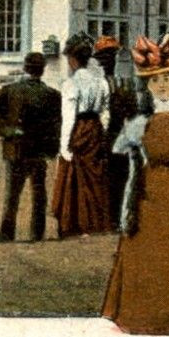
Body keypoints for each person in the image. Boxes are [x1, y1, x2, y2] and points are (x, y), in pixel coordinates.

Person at [101, 33, 169, 334]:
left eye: (168, 79)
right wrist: (132, 138)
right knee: (146, 251)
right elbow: (118, 147)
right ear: (147, 85)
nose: (163, 86)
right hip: (146, 191)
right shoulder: (141, 115)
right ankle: (142, 315)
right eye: (155, 81)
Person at [0, 52, 63, 243]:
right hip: (39, 150)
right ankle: (37, 232)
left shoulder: (10, 90)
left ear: (25, 68)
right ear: (43, 70)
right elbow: (57, 124)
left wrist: (7, 131)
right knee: (39, 193)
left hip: (16, 147)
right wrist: (52, 149)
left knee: (12, 193)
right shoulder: (53, 95)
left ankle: (7, 231)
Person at [54, 31, 115, 237]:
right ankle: (97, 222)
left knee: (76, 175)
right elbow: (105, 112)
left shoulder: (71, 84)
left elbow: (68, 117)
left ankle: (78, 223)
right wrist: (101, 132)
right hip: (95, 128)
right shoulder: (101, 82)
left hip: (79, 127)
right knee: (96, 175)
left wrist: (64, 146)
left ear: (72, 59)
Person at [98, 34, 140, 225]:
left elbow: (133, 116)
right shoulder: (119, 84)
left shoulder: (122, 85)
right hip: (105, 137)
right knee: (111, 179)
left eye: (111, 57)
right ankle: (110, 218)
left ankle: (112, 218)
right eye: (106, 58)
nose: (110, 61)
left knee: (116, 179)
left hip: (111, 137)